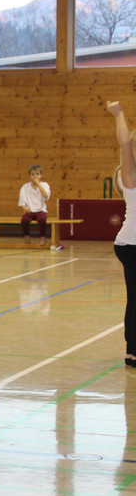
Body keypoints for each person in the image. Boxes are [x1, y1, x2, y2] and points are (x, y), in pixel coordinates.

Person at [108, 101, 136, 368]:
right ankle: (133, 351)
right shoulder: (129, 175)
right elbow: (125, 143)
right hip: (132, 246)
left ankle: (132, 350)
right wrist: (119, 114)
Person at [19, 164, 51, 245]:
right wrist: (25, 208)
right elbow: (22, 202)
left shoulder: (45, 185)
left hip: (41, 210)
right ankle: (27, 236)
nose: (35, 176)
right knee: (24, 220)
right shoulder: (25, 187)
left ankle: (43, 237)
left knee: (42, 220)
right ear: (29, 176)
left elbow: (46, 196)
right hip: (30, 211)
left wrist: (38, 184)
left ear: (41, 175)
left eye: (37, 174)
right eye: (33, 174)